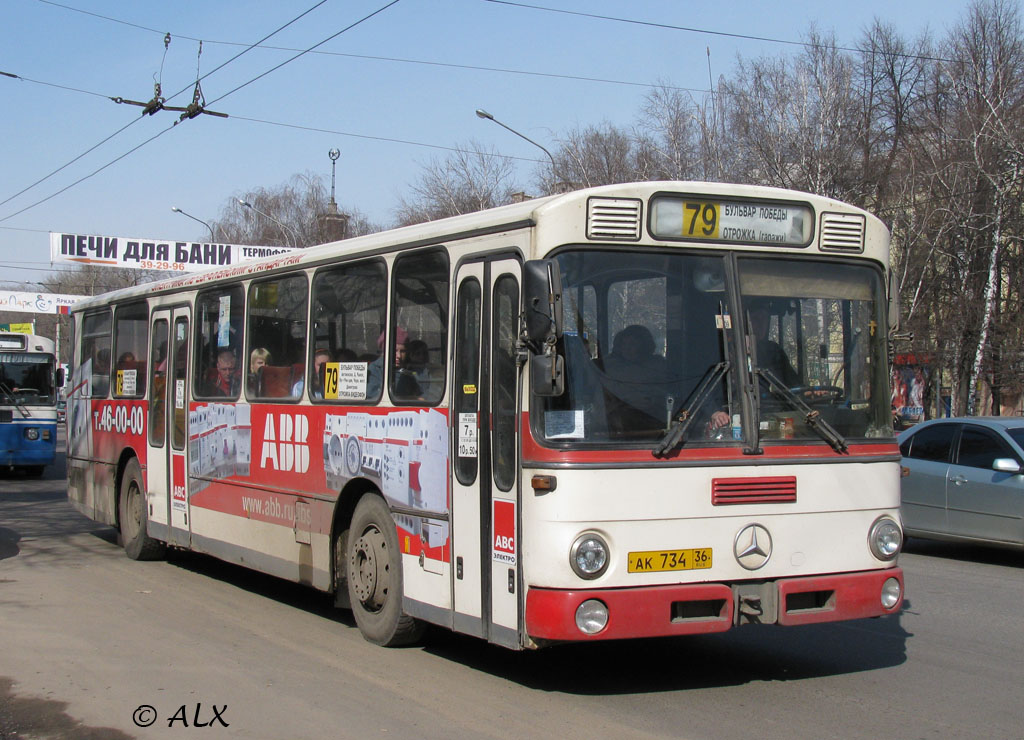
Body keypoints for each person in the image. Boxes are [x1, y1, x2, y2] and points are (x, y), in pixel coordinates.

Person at [749, 304, 799, 387]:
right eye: (756, 319)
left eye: (764, 319)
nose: (761, 325)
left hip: (778, 399)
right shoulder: (729, 351)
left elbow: (792, 382)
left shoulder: (773, 350)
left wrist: (806, 393)